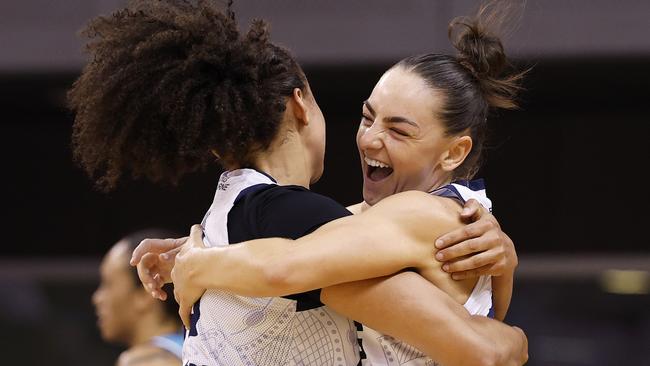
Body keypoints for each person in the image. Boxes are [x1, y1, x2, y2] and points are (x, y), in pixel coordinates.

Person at [69, 1, 527, 365]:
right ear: (301, 105)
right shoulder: (370, 222)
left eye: (399, 130)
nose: (370, 138)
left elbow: (285, 264)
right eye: (367, 117)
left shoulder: (416, 216)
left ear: (453, 152)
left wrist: (199, 263)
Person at [92, 229, 184, 366]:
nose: (97, 298)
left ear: (146, 292)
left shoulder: (141, 362)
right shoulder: (200, 348)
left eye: (108, 284)